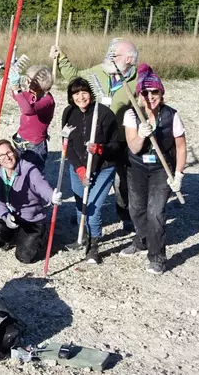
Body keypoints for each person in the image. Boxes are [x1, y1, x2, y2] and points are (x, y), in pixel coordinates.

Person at [51, 38, 141, 233]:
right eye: (109, 52)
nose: (108, 56)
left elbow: (145, 106)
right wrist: (61, 58)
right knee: (84, 176)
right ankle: (82, 214)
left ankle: (126, 216)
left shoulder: (136, 82)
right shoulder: (98, 72)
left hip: (122, 139)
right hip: (94, 137)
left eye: (113, 54)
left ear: (128, 59)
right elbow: (75, 78)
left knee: (123, 182)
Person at [120, 66, 187, 275]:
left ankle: (157, 257)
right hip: (137, 167)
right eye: (145, 93)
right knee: (136, 210)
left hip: (162, 168)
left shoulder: (171, 116)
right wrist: (141, 133)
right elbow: (134, 147)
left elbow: (181, 147)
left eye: (154, 92)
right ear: (139, 95)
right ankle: (142, 241)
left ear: (161, 93)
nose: (150, 97)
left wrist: (178, 174)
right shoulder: (132, 115)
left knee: (155, 213)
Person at [60, 77, 123, 264]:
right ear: (71, 97)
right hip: (78, 167)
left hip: (103, 168)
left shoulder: (104, 114)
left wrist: (101, 149)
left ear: (91, 93)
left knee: (92, 209)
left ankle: (94, 245)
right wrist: (79, 169)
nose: (81, 96)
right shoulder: (69, 112)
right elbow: (67, 144)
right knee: (81, 206)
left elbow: (116, 146)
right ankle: (83, 237)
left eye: (84, 92)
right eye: (76, 93)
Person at [0, 139, 61, 264]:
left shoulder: (28, 168)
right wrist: (5, 216)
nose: (7, 158)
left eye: (9, 153)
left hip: (31, 218)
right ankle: (14, 236)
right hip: (12, 215)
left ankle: (41, 237)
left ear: (14, 152)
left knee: (24, 257)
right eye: (1, 155)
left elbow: (40, 184)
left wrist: (51, 196)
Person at [11, 65, 55, 168]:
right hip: (21, 140)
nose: (26, 82)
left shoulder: (47, 101)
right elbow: (17, 97)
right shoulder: (32, 94)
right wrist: (13, 84)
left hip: (34, 146)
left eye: (29, 80)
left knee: (31, 174)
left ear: (38, 85)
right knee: (18, 171)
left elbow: (28, 110)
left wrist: (17, 89)